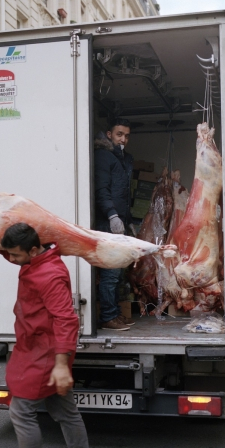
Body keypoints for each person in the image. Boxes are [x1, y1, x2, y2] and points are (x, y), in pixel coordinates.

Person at [0, 223, 96, 448]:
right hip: (37, 350)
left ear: (33, 250)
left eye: (15, 255)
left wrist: (61, 365)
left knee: (21, 410)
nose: (12, 260)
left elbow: (67, 320)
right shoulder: (37, 259)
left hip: (44, 354)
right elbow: (11, 252)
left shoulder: (49, 274)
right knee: (66, 412)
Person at [94, 118, 135, 331]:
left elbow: (124, 194)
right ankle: (108, 317)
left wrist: (127, 221)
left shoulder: (124, 159)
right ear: (109, 134)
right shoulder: (103, 156)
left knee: (119, 272)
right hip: (106, 223)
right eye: (119, 134)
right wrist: (112, 215)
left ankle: (116, 314)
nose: (123, 139)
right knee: (110, 273)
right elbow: (102, 190)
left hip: (120, 222)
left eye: (127, 136)